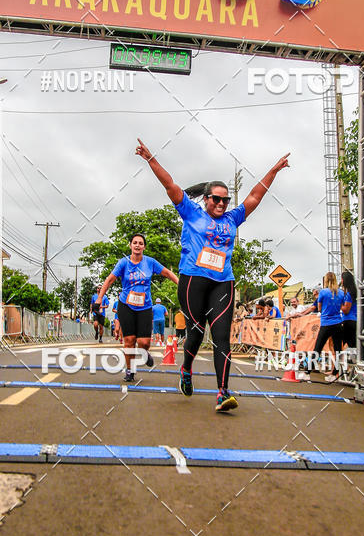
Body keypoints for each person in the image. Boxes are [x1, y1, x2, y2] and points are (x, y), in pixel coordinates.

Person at [136, 137, 289, 412]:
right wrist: (150, 159)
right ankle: (185, 369)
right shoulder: (191, 212)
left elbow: (255, 195)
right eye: (216, 199)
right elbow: (170, 185)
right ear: (206, 199)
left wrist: (274, 171)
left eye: (225, 199)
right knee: (195, 333)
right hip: (193, 281)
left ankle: (222, 392)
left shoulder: (232, 219)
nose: (221, 203)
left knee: (221, 337)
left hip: (223, 283)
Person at [94, 234, 178, 382]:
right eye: (135, 243)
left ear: (144, 246)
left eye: (140, 243)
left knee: (144, 343)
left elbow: (167, 273)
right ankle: (130, 370)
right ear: (130, 245)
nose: (137, 245)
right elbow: (110, 279)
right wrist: (100, 298)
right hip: (126, 306)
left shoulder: (150, 262)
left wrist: (181, 284)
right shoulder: (123, 263)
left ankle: (144, 353)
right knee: (129, 340)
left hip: (145, 307)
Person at [312, 272, 344, 383]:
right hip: (338, 322)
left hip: (326, 322)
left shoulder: (323, 292)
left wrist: (325, 310)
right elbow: (341, 306)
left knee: (318, 347)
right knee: (337, 348)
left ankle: (308, 370)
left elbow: (319, 307)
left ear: (326, 280)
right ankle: (336, 372)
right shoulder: (340, 293)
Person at [340, 270, 357, 350]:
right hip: (352, 320)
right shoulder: (352, 292)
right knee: (351, 343)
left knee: (349, 343)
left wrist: (339, 303)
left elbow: (346, 310)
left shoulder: (349, 294)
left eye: (342, 279)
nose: (341, 281)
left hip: (349, 321)